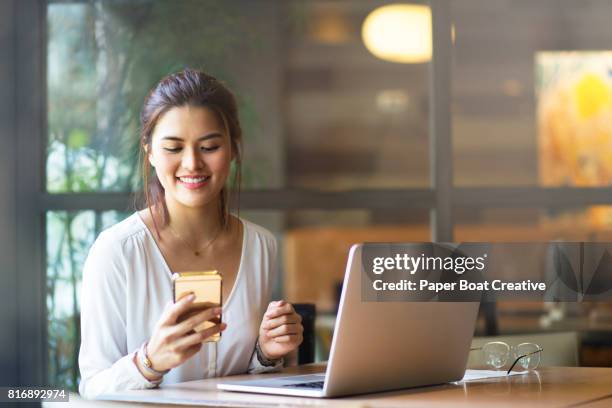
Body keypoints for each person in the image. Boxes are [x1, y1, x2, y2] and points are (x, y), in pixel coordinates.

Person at [78, 69, 303, 399]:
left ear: (234, 148)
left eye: (209, 146)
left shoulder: (260, 246)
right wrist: (149, 362)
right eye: (173, 147)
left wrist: (267, 353)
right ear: (150, 152)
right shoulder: (117, 251)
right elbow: (92, 388)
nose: (192, 163)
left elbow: (241, 379)